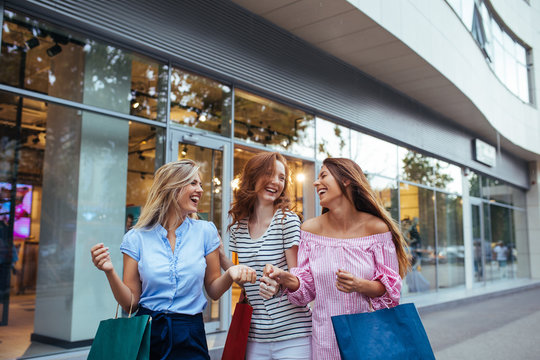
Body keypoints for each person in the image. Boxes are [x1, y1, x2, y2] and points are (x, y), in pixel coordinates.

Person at [91, 159, 257, 360]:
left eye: (200, 184)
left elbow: (213, 290)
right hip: (148, 334)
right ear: (172, 187)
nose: (200, 190)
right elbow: (131, 305)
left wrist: (230, 273)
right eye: (193, 183)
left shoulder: (206, 231)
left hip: (191, 334)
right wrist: (109, 272)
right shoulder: (136, 238)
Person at [264, 158, 410, 359]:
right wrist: (287, 278)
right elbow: (306, 291)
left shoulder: (377, 229)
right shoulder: (309, 230)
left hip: (369, 339)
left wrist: (359, 285)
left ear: (346, 179)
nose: (316, 183)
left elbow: (391, 291)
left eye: (323, 175)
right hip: (325, 340)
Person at [220, 152, 312, 360]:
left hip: (293, 336)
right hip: (255, 337)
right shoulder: (238, 228)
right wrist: (220, 257)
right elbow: (246, 282)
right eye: (269, 173)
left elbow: (300, 281)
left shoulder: (287, 221)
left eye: (281, 177)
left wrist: (279, 283)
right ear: (253, 177)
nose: (276, 182)